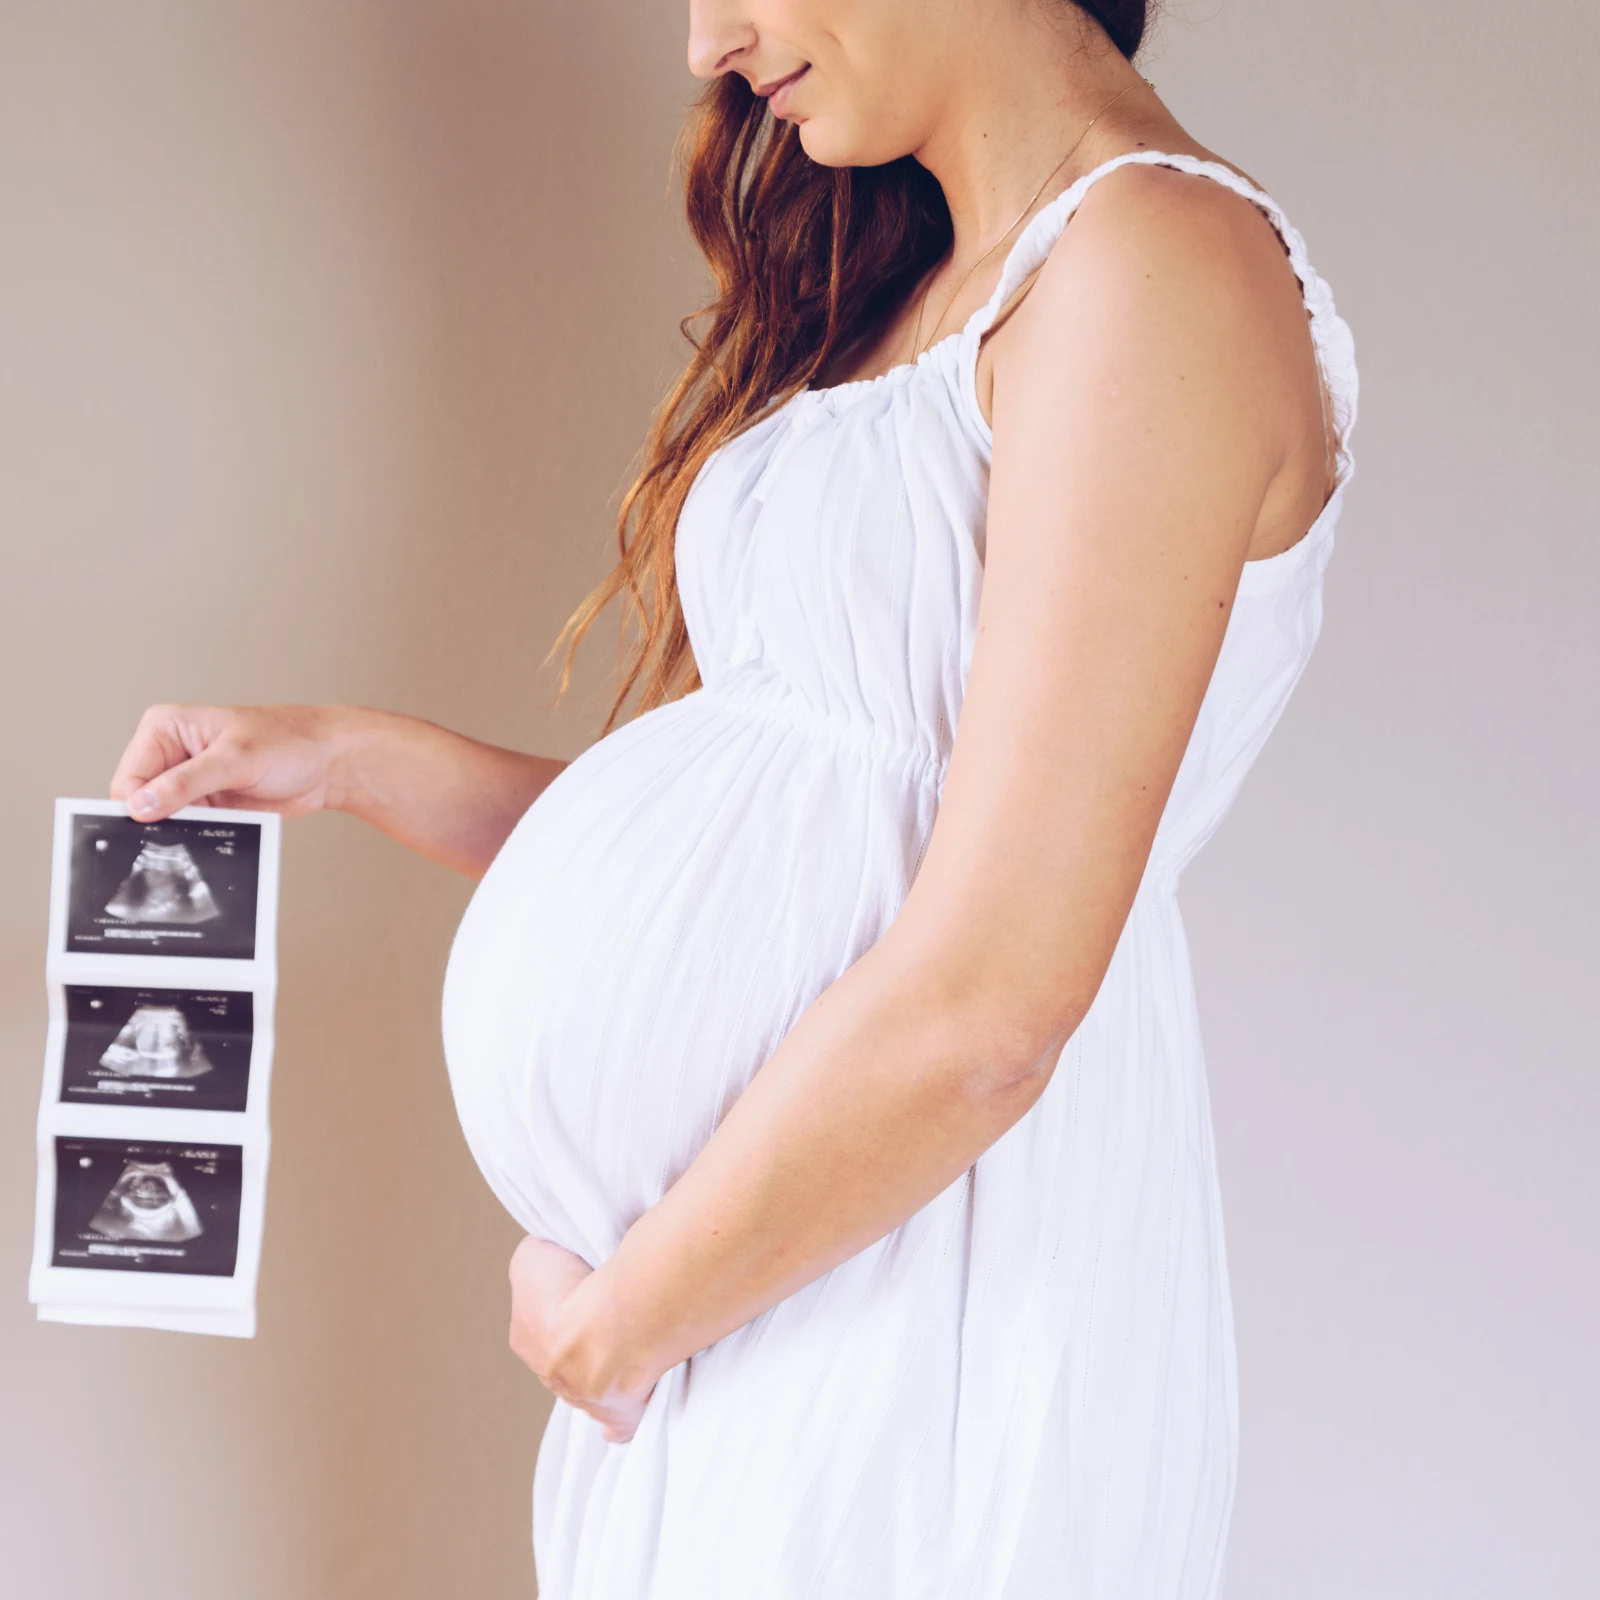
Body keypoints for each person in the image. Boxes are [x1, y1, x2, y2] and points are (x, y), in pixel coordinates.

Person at [110, 0, 1357, 1592]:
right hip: (757, 1299)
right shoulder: (947, 284)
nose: (709, 43)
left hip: (914, 1304)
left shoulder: (1153, 267)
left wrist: (616, 1329)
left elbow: (993, 1001)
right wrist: (357, 763)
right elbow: (799, 849)